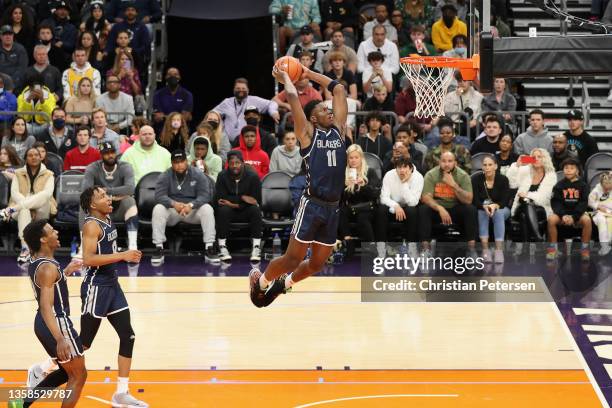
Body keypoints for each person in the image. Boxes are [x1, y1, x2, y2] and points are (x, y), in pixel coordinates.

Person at [248, 61, 348, 307]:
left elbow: (339, 91)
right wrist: (286, 77)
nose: (330, 111)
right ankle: (260, 284)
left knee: (317, 264)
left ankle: (283, 285)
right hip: (312, 203)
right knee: (293, 258)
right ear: (314, 118)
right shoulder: (306, 134)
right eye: (325, 110)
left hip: (333, 206)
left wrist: (308, 73)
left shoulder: (339, 131)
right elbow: (292, 96)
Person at [78, 186, 147, 407]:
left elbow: (104, 250)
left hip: (112, 285)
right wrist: (123, 255)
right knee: (84, 344)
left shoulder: (108, 219)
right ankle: (45, 369)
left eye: (107, 195)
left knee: (128, 336)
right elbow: (88, 259)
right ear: (91, 205)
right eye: (102, 196)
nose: (108, 198)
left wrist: (123, 255)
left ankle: (121, 392)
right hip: (96, 288)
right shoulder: (91, 224)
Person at [18, 220, 86, 408]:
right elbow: (47, 305)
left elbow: (48, 286)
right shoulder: (48, 268)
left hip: (43, 322)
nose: (56, 232)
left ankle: (22, 403)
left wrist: (65, 272)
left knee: (66, 372)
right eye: (51, 231)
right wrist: (60, 338)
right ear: (43, 239)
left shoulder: (40, 262)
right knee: (78, 376)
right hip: (55, 323)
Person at [151, 150, 218, 265]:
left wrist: (191, 205)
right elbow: (159, 196)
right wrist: (173, 204)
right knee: (158, 208)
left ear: (186, 162)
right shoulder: (165, 175)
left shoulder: (197, 174)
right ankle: (159, 247)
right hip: (173, 211)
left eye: (182, 161)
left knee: (207, 208)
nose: (179, 165)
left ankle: (209, 247)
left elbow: (205, 195)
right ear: (172, 164)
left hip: (192, 210)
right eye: (176, 162)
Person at [0, 147, 56, 262]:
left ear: (40, 157)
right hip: (20, 210)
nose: (34, 157)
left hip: (41, 208)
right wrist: (27, 205)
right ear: (25, 158)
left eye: (36, 155)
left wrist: (17, 207)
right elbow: (14, 193)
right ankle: (25, 249)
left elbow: (47, 194)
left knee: (44, 195)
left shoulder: (49, 174)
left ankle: (9, 210)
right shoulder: (18, 173)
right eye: (30, 155)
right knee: (24, 211)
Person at [81, 142, 139, 250]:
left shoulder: (125, 166)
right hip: (100, 210)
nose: (110, 155)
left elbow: (130, 189)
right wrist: (113, 196)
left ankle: (132, 244)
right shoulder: (93, 168)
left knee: (130, 201)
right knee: (85, 203)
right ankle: (83, 246)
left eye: (112, 152)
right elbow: (86, 191)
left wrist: (106, 191)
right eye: (106, 153)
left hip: (119, 208)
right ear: (101, 155)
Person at [418, 151, 477, 256]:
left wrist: (453, 185)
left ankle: (471, 249)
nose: (446, 164)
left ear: (455, 163)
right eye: (443, 161)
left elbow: (468, 200)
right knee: (423, 209)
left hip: (455, 208)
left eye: (450, 161)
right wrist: (440, 208)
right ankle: (425, 249)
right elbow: (426, 198)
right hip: (437, 210)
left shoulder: (463, 175)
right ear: (439, 162)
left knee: (470, 209)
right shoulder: (431, 174)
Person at [214, 150, 263, 262]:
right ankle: (222, 247)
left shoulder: (253, 177)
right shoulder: (222, 176)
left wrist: (233, 203)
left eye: (237, 163)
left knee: (255, 210)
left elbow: (256, 200)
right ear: (228, 164)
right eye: (232, 163)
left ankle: (256, 247)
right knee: (222, 210)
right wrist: (242, 199)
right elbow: (220, 198)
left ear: (243, 163)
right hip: (230, 210)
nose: (234, 166)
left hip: (245, 210)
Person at [376, 156, 423, 257]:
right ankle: (381, 246)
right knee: (381, 209)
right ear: (395, 168)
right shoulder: (389, 175)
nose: (402, 170)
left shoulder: (418, 177)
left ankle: (412, 246)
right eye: (399, 167)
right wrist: (396, 206)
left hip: (408, 208)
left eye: (405, 167)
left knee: (412, 210)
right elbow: (383, 197)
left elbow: (413, 202)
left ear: (410, 168)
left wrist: (405, 183)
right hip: (392, 206)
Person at [506, 148, 557, 242]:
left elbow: (544, 198)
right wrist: (517, 165)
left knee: (524, 214)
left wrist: (527, 195)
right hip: (520, 206)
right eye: (533, 157)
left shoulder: (551, 175)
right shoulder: (525, 170)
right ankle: (538, 237)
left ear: (545, 159)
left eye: (539, 157)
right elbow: (511, 183)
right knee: (526, 204)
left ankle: (526, 248)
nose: (536, 159)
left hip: (540, 209)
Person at [338, 144, 380, 253]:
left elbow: (375, 194)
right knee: (340, 212)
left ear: (361, 158)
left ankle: (371, 248)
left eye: (356, 157)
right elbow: (340, 199)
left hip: (366, 207)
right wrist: (345, 187)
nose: (353, 160)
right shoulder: (344, 173)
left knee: (363, 218)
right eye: (351, 158)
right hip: (350, 206)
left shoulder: (370, 172)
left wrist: (363, 186)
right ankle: (348, 244)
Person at [547, 157, 592, 260]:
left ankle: (585, 250)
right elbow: (556, 203)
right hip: (562, 214)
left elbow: (583, 203)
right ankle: (553, 249)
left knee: (587, 220)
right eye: (566, 168)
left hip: (577, 214)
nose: (568, 170)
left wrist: (574, 217)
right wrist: (563, 215)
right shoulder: (559, 185)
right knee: (551, 219)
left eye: (572, 168)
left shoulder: (583, 185)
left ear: (577, 170)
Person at [213, 77, 280, 143]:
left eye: (243, 88)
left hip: (247, 143)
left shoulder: (255, 100)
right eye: (238, 88)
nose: (241, 90)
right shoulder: (227, 102)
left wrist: (273, 112)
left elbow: (272, 103)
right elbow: (213, 113)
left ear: (248, 90)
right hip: (227, 143)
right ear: (234, 90)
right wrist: (220, 126)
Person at [472, 154, 512, 263]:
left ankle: (499, 250)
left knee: (498, 213)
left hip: (502, 209)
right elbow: (474, 200)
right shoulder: (476, 179)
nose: (487, 167)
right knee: (481, 212)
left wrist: (495, 205)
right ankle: (486, 250)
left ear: (496, 166)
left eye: (490, 165)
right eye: (485, 165)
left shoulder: (503, 179)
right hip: (483, 209)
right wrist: (483, 206)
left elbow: (505, 200)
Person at [443, 71, 483, 138]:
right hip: (455, 124)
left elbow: (480, 114)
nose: (461, 83)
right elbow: (447, 113)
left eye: (464, 81)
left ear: (470, 81)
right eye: (459, 81)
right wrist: (458, 97)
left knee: (478, 129)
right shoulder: (450, 96)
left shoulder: (478, 96)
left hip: (473, 125)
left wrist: (476, 121)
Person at [589, 171, 612, 256]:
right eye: (605, 188)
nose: (608, 190)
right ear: (601, 184)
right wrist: (598, 206)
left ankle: (608, 243)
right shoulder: (596, 190)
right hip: (599, 212)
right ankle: (604, 246)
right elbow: (590, 202)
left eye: (610, 188)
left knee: (610, 222)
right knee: (602, 221)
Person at [0, 24, 28, 89]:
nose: (8, 37)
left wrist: (11, 83)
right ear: (0, 36)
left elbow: (22, 69)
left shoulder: (20, 49)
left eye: (10, 34)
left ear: (13, 35)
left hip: (17, 84)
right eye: (5, 34)